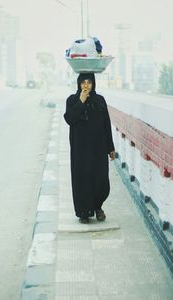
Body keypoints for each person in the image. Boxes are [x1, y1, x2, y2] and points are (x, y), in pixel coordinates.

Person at [64, 73, 115, 224]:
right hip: (80, 148)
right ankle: (83, 213)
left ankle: (98, 207)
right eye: (83, 83)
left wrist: (110, 147)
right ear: (79, 84)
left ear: (93, 84)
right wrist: (80, 101)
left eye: (89, 82)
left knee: (100, 179)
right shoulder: (72, 100)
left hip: (98, 147)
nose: (86, 86)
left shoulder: (100, 100)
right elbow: (69, 119)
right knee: (82, 179)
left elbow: (106, 124)